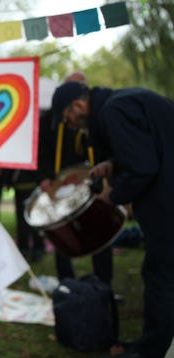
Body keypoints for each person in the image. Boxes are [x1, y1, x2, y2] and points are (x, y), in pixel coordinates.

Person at [51, 79, 174, 358]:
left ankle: (153, 355)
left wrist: (113, 195)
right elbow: (147, 147)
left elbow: (144, 166)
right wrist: (114, 164)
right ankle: (152, 344)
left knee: (162, 276)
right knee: (157, 271)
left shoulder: (113, 110)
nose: (70, 125)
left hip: (167, 202)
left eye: (67, 118)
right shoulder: (123, 101)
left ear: (79, 105)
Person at [38, 72, 113, 284]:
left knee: (100, 230)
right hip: (60, 183)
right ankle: (67, 282)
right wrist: (45, 177)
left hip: (91, 181)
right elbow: (42, 150)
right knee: (63, 232)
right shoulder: (51, 120)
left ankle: (103, 284)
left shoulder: (98, 118)